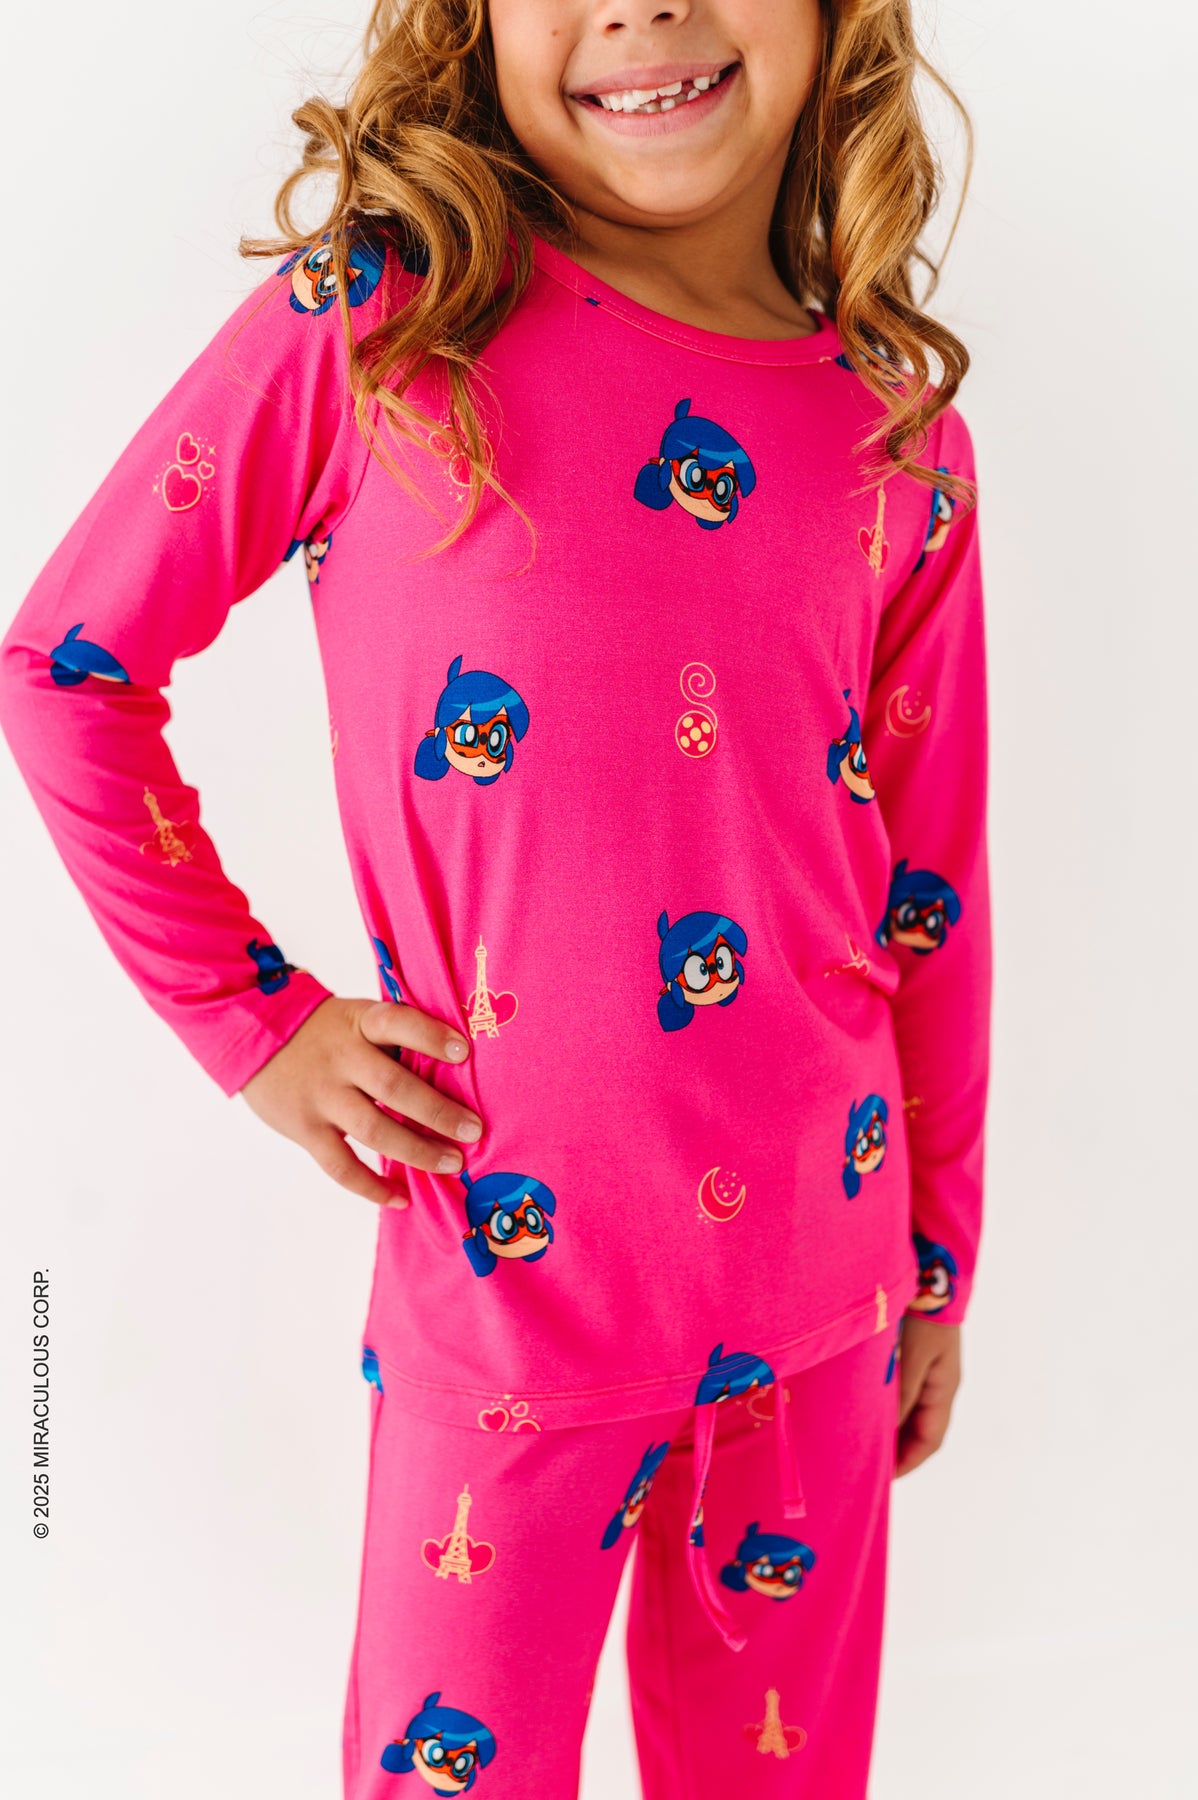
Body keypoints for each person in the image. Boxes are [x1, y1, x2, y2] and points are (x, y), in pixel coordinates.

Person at [0, 2, 992, 1794]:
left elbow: (927, 883)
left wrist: (937, 1264)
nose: (641, 7)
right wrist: (254, 1021)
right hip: (510, 1292)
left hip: (827, 1296)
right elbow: (68, 665)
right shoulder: (382, 323)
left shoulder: (894, 427)